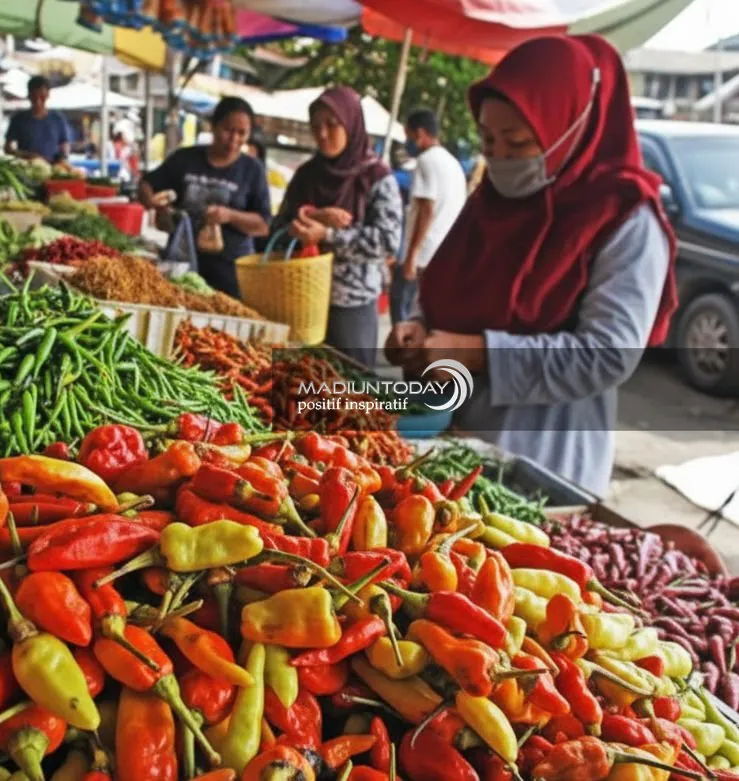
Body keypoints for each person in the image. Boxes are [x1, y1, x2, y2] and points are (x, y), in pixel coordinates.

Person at [386, 35, 678, 495]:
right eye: (488, 139)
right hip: (449, 434)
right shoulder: (491, 201)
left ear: (570, 128)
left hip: (542, 457)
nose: (498, 157)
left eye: (517, 142)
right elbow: (449, 286)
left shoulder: (624, 218)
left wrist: (478, 352)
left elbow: (607, 353)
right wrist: (421, 327)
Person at [275, 87, 402, 367]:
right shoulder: (307, 175)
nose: (322, 134)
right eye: (316, 126)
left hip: (350, 304)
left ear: (351, 124)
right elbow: (278, 228)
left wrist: (328, 235)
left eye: (332, 125)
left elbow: (387, 240)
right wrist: (312, 218)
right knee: (300, 388)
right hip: (300, 300)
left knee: (349, 391)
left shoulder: (376, 177)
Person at [139, 97, 271, 297]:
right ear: (213, 126)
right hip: (181, 264)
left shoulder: (252, 170)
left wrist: (230, 216)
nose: (234, 139)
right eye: (227, 129)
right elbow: (147, 184)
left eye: (242, 133)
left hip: (230, 272)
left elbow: (263, 225)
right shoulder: (185, 159)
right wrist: (153, 203)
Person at [392, 108, 467, 325]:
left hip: (422, 255)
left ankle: (403, 354)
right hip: (442, 252)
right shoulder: (452, 164)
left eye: (409, 136)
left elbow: (426, 209)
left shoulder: (426, 161)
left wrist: (411, 256)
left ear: (420, 134)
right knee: (423, 314)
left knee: (402, 309)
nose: (408, 142)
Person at [5, 76, 71, 163]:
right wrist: (26, 155)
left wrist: (62, 157)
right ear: (28, 96)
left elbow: (64, 144)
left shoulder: (57, 118)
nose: (38, 102)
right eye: (34, 97)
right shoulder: (18, 119)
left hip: (52, 170)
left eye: (42, 97)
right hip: (26, 170)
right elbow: (8, 148)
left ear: (48, 95)